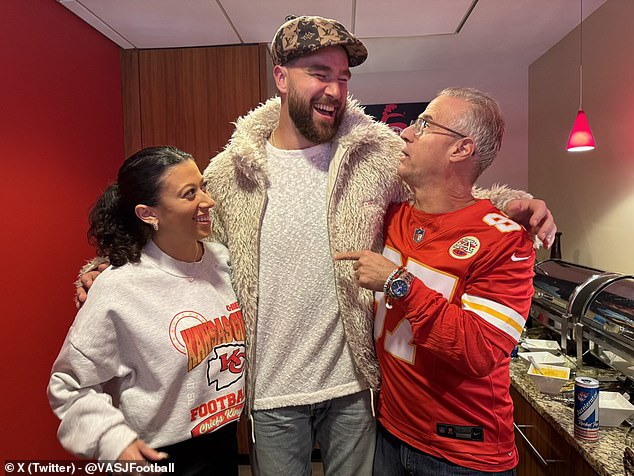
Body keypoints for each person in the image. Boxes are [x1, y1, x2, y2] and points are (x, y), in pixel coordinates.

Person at [76, 16, 555, 476]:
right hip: (270, 389)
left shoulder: (377, 156)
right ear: (282, 78)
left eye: (343, 77)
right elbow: (181, 235)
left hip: (354, 388)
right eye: (319, 74)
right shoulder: (230, 171)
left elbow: (441, 200)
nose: (335, 90)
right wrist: (113, 264)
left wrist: (513, 201)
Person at [336, 87, 535, 475]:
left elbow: (479, 351)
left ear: (461, 149)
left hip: (462, 455)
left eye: (424, 125)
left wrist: (398, 282)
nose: (406, 133)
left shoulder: (506, 240)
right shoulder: (391, 216)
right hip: (391, 432)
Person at [49, 146, 245, 475]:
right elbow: (68, 385)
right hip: (157, 458)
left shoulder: (224, 263)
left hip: (224, 445)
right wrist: (111, 439)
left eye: (204, 187)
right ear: (148, 214)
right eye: (189, 194)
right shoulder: (118, 288)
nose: (208, 201)